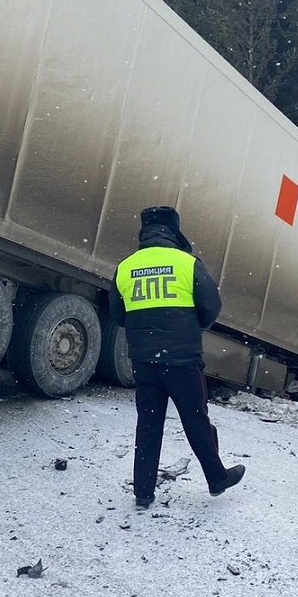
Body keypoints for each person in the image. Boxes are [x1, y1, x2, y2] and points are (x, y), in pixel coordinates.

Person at [109, 205, 245, 508]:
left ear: (144, 232)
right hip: (182, 360)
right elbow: (212, 305)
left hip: (144, 361)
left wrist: (146, 330)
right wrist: (192, 327)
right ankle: (216, 477)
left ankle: (143, 491)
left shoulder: (126, 266)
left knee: (148, 424)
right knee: (196, 419)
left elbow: (118, 314)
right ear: (174, 231)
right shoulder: (187, 263)